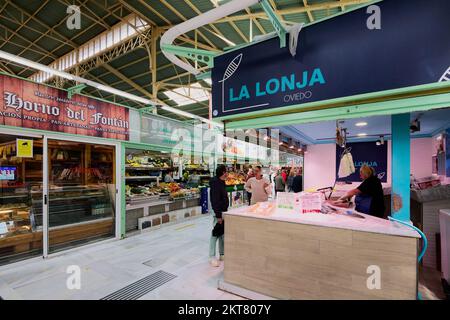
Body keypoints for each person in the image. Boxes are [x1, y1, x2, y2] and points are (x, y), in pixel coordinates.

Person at [209, 165, 229, 267]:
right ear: (222, 172)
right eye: (226, 171)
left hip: (223, 211)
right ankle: (211, 256)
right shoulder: (216, 183)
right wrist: (218, 215)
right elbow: (215, 200)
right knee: (215, 233)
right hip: (218, 212)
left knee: (222, 234)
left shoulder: (221, 182)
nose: (227, 173)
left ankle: (222, 254)